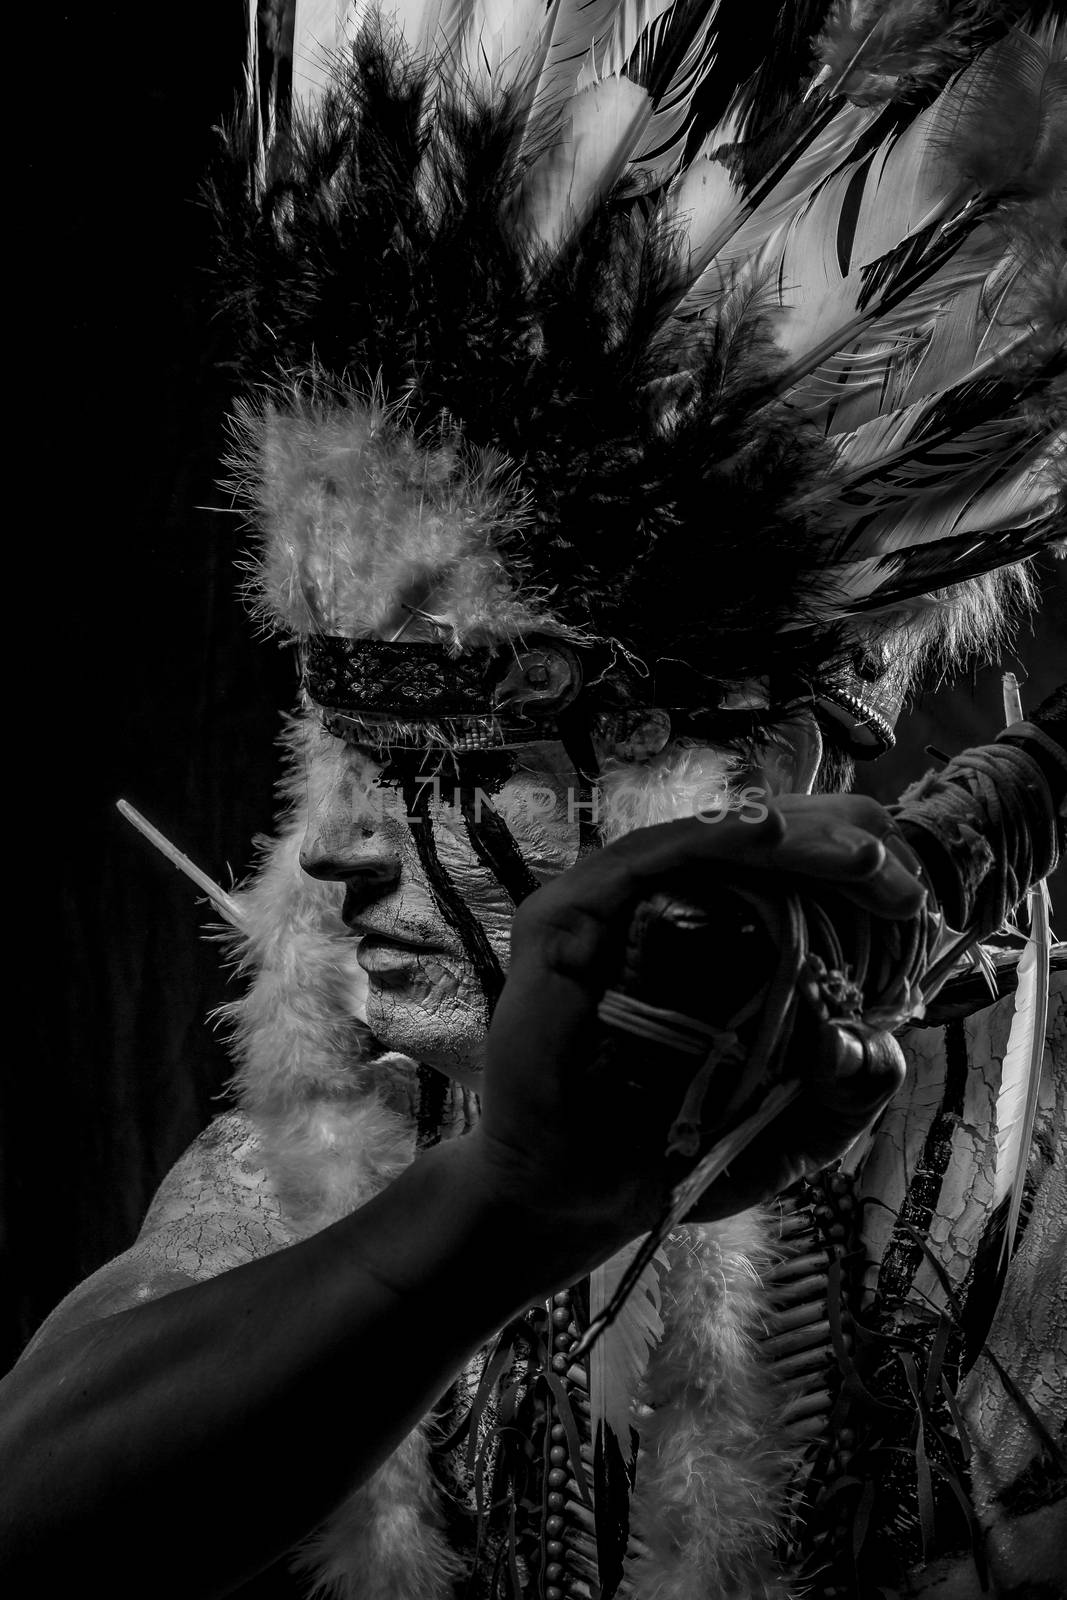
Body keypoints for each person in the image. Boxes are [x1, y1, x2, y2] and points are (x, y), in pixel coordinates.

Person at [3, 4, 1065, 1597]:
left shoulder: (1022, 1130)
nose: (335, 847)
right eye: (332, 739)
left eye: (453, 746)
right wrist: (504, 1213)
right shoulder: (325, 1181)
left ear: (757, 778)